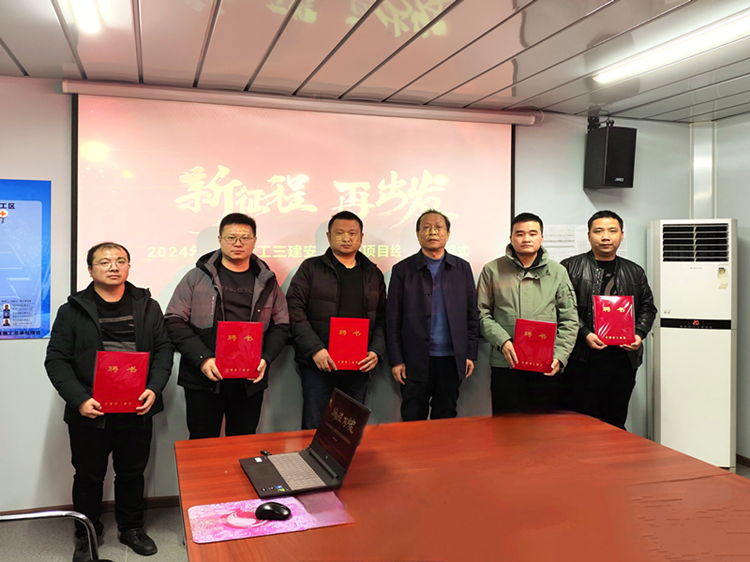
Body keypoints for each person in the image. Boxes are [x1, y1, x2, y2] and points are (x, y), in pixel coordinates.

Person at [45, 242, 173, 561]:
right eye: (104, 262)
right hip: (91, 411)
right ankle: (86, 534)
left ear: (128, 266)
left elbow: (164, 351)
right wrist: (79, 400)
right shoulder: (72, 310)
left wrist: (154, 388)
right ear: (90, 270)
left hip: (137, 408)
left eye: (120, 260)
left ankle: (131, 528)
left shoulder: (148, 306)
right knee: (88, 477)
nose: (113, 266)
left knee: (132, 473)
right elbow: (56, 360)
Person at [165, 213, 289, 439]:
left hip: (249, 380)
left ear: (254, 240)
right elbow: (174, 319)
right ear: (220, 240)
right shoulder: (196, 277)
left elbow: (282, 325)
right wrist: (203, 358)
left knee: (243, 444)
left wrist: (266, 358)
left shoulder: (267, 281)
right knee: (202, 444)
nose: (238, 243)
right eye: (231, 237)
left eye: (245, 237)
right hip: (204, 377)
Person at [286, 211, 386, 429]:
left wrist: (376, 351)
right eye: (339, 233)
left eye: (352, 233)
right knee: (315, 425)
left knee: (348, 429)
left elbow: (382, 317)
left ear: (361, 237)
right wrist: (315, 349)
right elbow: (294, 310)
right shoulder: (311, 268)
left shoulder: (372, 273)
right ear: (329, 236)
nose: (346, 238)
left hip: (359, 365)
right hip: (319, 363)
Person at [560, 210, 656, 430]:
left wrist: (639, 334)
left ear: (621, 235)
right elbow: (563, 308)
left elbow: (648, 308)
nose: (605, 237)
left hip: (623, 360)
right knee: (580, 423)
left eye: (612, 231)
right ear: (589, 235)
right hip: (582, 358)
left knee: (615, 421)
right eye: (599, 231)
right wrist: (585, 333)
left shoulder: (635, 271)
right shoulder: (569, 267)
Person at [476, 212, 578, 414]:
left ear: (541, 237)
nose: (526, 239)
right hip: (505, 363)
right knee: (506, 425)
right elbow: (481, 313)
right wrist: (503, 341)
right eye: (520, 234)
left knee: (542, 426)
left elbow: (570, 319)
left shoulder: (557, 272)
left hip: (546, 364)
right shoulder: (492, 270)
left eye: (532, 233)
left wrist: (559, 356)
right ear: (511, 238)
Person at [386, 209, 479, 421]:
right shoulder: (402, 269)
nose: (432, 232)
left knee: (445, 417)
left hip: (451, 359)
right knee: (412, 418)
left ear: (448, 234)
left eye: (438, 228)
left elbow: (472, 315)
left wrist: (469, 354)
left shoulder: (462, 268)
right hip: (414, 360)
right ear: (418, 234)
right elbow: (392, 319)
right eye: (426, 228)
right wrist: (397, 360)